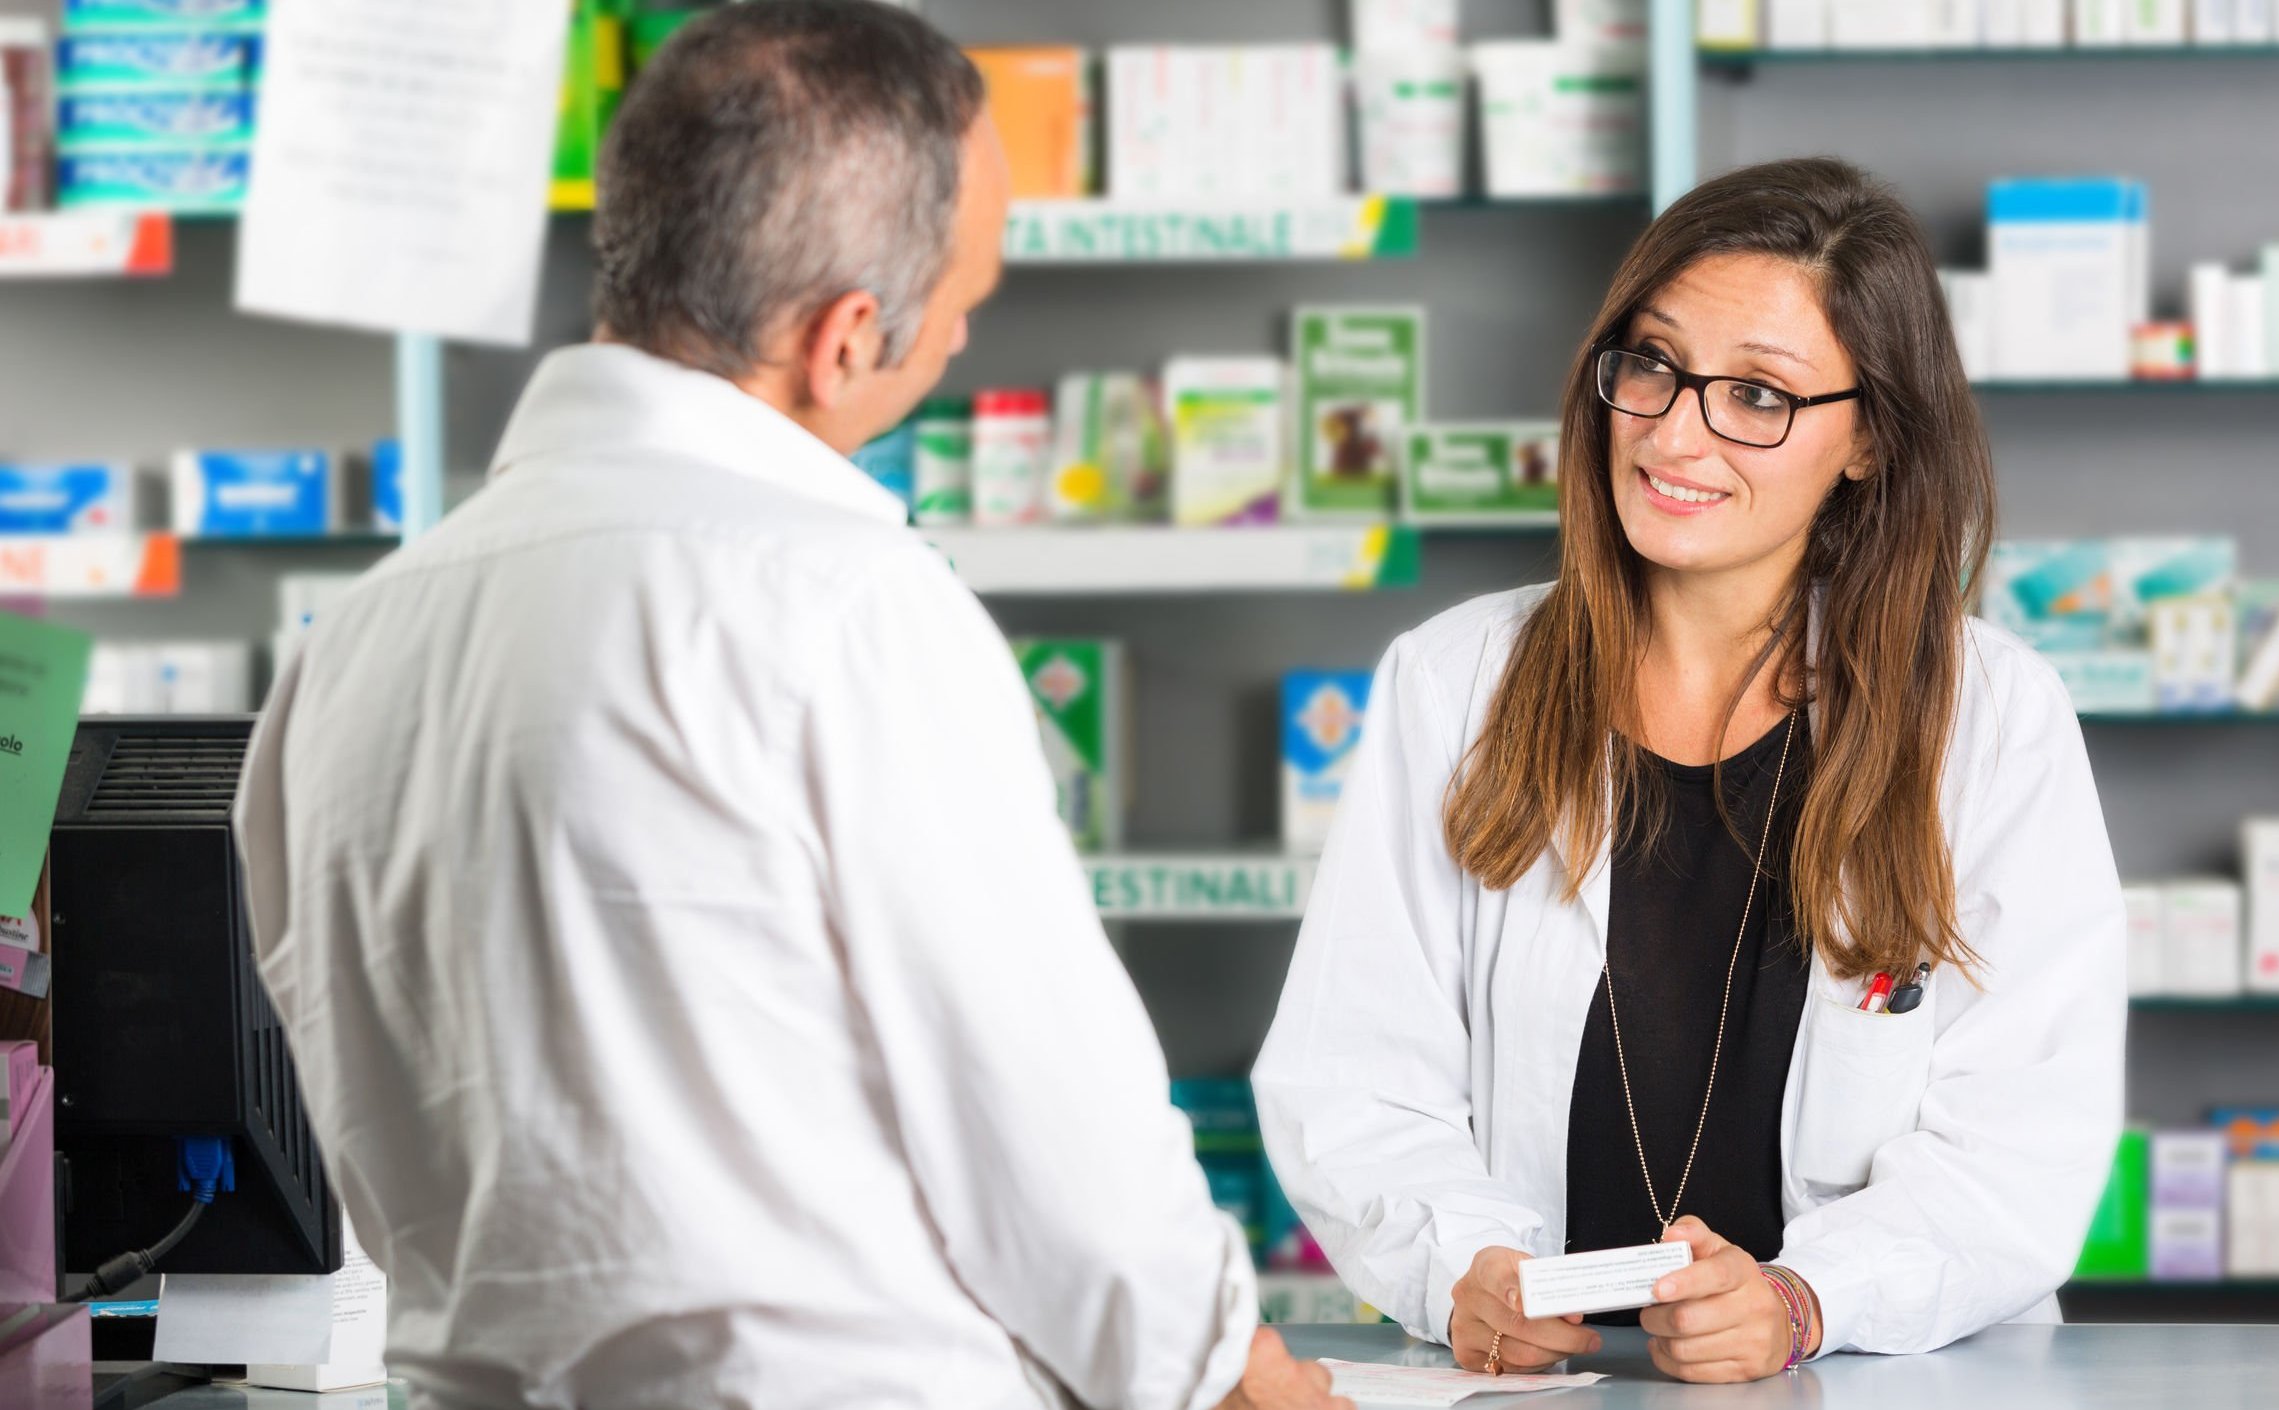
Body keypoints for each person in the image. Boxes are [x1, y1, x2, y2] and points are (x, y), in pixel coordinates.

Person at [234, 5, 1346, 1408]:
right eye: (964, 305)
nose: (956, 340)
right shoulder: (843, 603)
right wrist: (1226, 1369)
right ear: (843, 338)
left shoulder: (355, 641)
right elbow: (1043, 1116)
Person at [1251, 157, 2127, 1385]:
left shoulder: (1988, 721)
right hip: (1539, 1380)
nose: (1674, 431)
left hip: (1872, 1376)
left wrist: (1804, 1301)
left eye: (1759, 395)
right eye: (1653, 365)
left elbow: (2018, 1147)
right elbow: (1353, 1081)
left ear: (1869, 438)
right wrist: (1464, 1271)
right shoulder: (1455, 686)